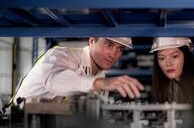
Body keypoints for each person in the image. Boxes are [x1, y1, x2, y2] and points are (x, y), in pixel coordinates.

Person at [13, 37, 144, 104]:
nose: (113, 54)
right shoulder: (61, 54)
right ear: (92, 41)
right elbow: (54, 80)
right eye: (109, 45)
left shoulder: (100, 74)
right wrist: (100, 83)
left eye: (120, 49)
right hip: (18, 125)